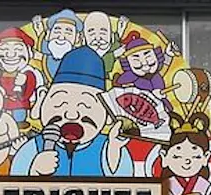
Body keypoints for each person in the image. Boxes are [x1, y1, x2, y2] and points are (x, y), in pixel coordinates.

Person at [10, 46, 132, 178]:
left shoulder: (110, 147)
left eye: (86, 106)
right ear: (42, 97)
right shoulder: (32, 148)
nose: (72, 115)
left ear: (108, 112)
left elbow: (128, 182)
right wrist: (34, 170)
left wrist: (114, 151)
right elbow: (10, 183)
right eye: (61, 103)